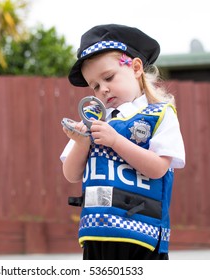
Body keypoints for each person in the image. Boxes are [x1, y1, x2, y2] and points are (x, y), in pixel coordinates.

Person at [60, 24, 185, 260]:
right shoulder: (94, 120)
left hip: (142, 237)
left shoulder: (159, 114)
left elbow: (159, 168)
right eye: (95, 86)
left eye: (108, 77)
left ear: (136, 67)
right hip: (98, 234)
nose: (103, 89)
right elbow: (71, 174)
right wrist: (81, 143)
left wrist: (116, 141)